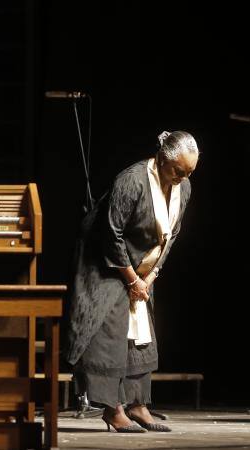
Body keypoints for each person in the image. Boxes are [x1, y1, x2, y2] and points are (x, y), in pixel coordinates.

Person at [64, 130, 199, 433]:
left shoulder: (184, 187)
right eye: (179, 170)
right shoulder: (132, 180)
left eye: (190, 171)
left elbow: (171, 236)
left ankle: (137, 404)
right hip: (103, 259)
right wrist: (131, 278)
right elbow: (112, 234)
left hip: (140, 265)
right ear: (163, 159)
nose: (184, 176)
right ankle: (113, 408)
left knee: (140, 331)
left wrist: (148, 278)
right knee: (110, 328)